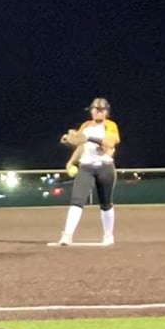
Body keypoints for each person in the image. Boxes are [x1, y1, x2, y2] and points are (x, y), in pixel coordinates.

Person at [53, 97, 120, 247]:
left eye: (100, 109)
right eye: (94, 109)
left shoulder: (110, 125)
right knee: (77, 201)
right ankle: (67, 234)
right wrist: (71, 155)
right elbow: (80, 144)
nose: (97, 112)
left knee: (106, 203)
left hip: (105, 167)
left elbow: (109, 143)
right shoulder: (86, 125)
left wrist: (88, 137)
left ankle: (108, 235)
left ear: (106, 112)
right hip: (86, 167)